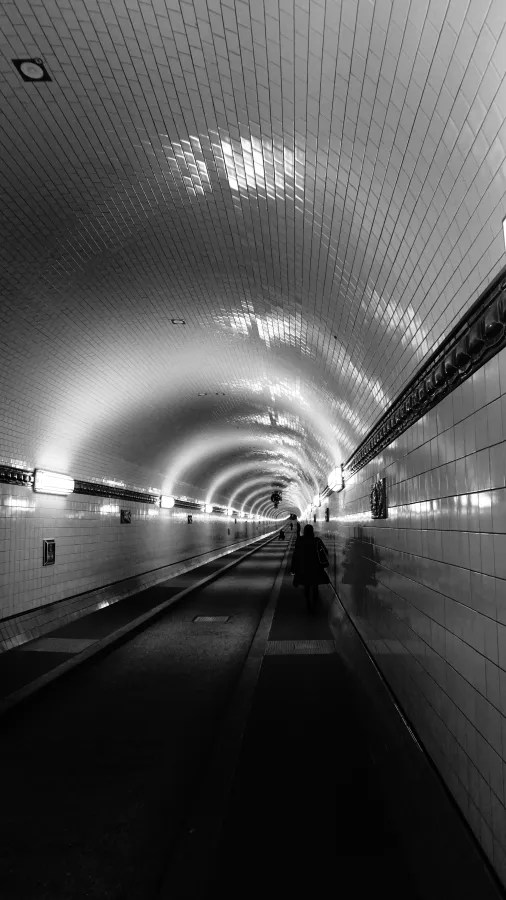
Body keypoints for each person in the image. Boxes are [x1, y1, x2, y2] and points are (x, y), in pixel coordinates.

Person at [290, 524, 329, 613]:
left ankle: (308, 604)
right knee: (315, 587)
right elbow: (325, 551)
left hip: (304, 567)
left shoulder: (300, 540)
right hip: (316, 567)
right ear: (312, 531)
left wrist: (293, 569)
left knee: (307, 586)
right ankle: (314, 605)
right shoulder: (317, 540)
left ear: (304, 531)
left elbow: (295, 555)